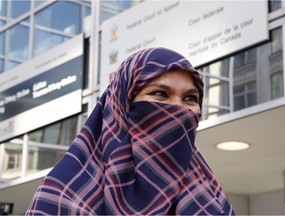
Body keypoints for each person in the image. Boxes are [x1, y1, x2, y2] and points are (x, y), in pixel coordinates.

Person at [26, 47, 235, 215]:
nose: (178, 109)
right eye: (160, 94)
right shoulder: (64, 194)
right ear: (122, 104)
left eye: (190, 98)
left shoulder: (208, 196)